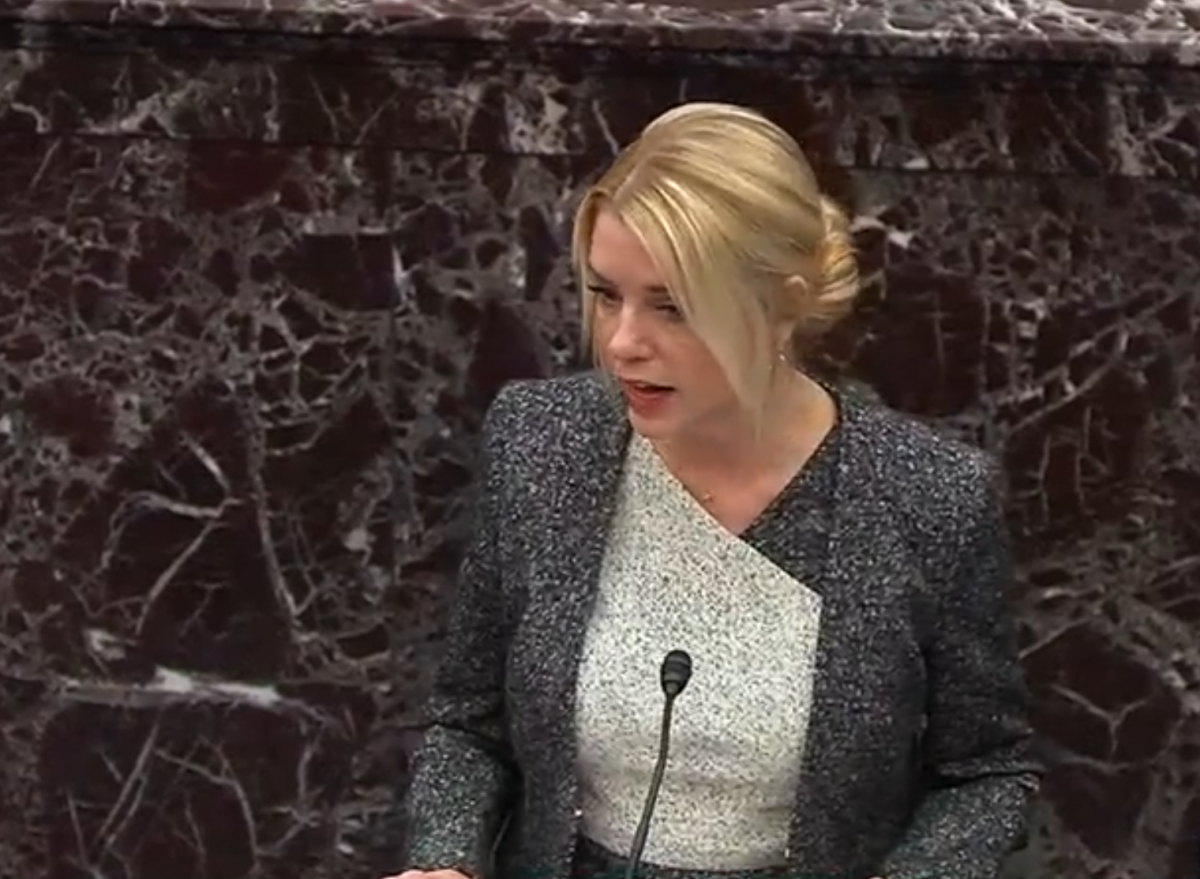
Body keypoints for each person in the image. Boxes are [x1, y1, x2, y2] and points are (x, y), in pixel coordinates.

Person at [385, 101, 1041, 879]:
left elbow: (986, 773)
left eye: (672, 306)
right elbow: (470, 724)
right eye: (606, 294)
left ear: (781, 305)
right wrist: (445, 861)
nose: (623, 342)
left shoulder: (927, 496)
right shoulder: (540, 443)